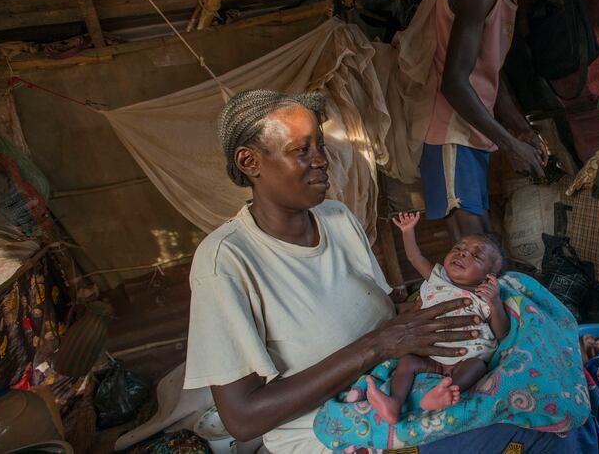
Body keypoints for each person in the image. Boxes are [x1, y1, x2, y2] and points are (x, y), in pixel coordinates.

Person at [183, 90, 483, 454]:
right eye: (302, 150)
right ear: (250, 162)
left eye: (321, 146)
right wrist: (379, 345)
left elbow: (387, 316)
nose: (322, 160)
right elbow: (243, 418)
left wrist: (448, 304)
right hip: (325, 434)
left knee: (523, 400)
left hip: (395, 391)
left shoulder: (338, 219)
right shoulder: (225, 261)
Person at [421, 0, 571, 241]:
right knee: (474, 246)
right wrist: (509, 143)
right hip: (449, 132)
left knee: (483, 246)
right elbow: (454, 83)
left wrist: (521, 129)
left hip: (471, 134)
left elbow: (492, 70)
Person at [366, 211, 509, 424]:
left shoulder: (482, 296)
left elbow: (502, 332)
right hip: (432, 358)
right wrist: (407, 231)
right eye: (458, 248)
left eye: (476, 255)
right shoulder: (437, 277)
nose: (462, 254)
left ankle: (447, 391)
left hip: (466, 358)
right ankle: (394, 403)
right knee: (407, 362)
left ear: (489, 277)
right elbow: (415, 257)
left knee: (476, 368)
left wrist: (495, 303)